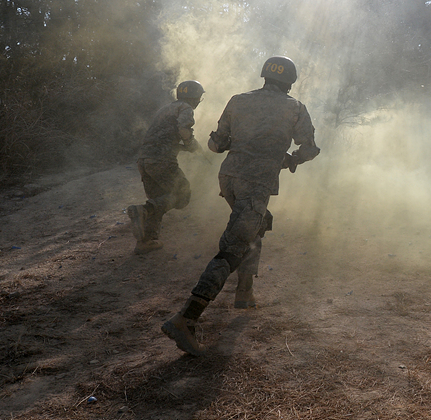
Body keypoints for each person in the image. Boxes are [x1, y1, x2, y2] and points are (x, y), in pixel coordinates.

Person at [161, 56, 320, 356]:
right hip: (257, 183)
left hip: (229, 178)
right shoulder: (295, 108)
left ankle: (244, 292)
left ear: (264, 77)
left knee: (258, 224)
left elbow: (215, 145)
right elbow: (308, 149)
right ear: (290, 82)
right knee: (233, 247)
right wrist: (291, 159)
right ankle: (186, 318)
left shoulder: (238, 100)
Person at [127, 80, 205, 255]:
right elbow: (184, 129)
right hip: (161, 159)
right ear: (195, 97)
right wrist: (192, 145)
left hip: (144, 160)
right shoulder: (186, 108)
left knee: (159, 200)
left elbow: (161, 137)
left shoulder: (165, 109)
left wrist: (184, 147)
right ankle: (144, 210)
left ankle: (146, 241)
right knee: (183, 194)